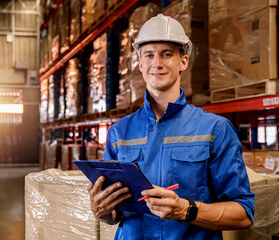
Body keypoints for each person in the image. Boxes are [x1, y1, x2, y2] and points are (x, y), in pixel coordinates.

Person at [87, 14, 254, 239]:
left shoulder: (215, 129)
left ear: (183, 61)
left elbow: (244, 214)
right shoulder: (119, 133)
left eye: (167, 54)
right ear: (140, 61)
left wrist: (186, 209)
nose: (157, 63)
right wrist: (102, 211)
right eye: (149, 55)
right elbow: (115, 214)